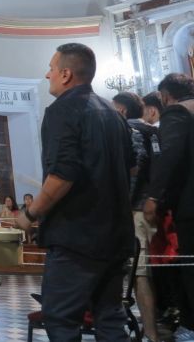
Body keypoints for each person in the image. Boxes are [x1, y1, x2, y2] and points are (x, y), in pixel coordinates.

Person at [17, 43, 134, 341]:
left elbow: (62, 175)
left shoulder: (63, 110)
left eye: (52, 69)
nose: (47, 75)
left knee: (61, 319)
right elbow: (130, 167)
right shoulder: (112, 111)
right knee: (110, 319)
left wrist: (30, 213)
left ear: (66, 74)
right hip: (116, 234)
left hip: (77, 238)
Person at [144, 73, 194, 341]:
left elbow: (170, 156)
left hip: (190, 204)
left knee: (190, 267)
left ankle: (191, 326)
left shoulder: (177, 112)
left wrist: (154, 197)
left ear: (165, 96)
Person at [112, 91, 160, 342]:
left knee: (139, 274)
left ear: (121, 111)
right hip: (150, 206)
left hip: (136, 209)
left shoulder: (131, 131)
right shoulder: (152, 129)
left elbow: (136, 165)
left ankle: (151, 334)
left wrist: (123, 202)